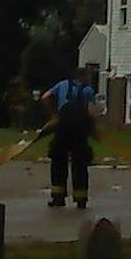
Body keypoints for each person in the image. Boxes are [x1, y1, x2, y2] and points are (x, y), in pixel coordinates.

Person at [41, 66, 99, 209]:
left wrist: (54, 115)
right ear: (84, 77)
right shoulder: (87, 91)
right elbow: (91, 113)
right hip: (79, 132)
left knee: (58, 162)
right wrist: (93, 129)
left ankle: (58, 198)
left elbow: (45, 97)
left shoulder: (62, 85)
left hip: (62, 129)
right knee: (80, 164)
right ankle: (81, 200)